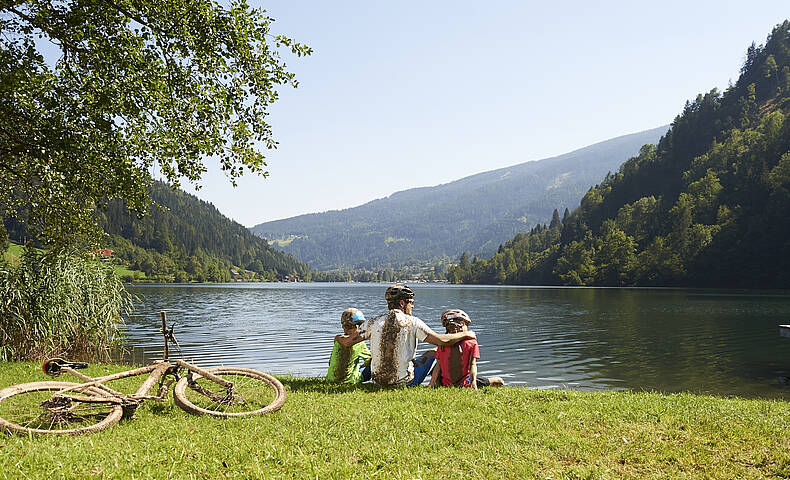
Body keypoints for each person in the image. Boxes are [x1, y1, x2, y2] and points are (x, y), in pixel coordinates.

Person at [337, 284, 476, 388]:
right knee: (433, 352)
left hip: (378, 383)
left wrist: (337, 338)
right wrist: (466, 334)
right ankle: (442, 382)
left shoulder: (373, 322)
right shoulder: (412, 322)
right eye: (411, 303)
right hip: (404, 383)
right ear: (402, 303)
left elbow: (348, 342)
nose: (413, 307)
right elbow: (441, 341)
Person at [429, 309, 504, 389]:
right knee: (499, 381)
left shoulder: (443, 341)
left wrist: (431, 383)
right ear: (462, 324)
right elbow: (472, 365)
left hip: (446, 383)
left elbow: (438, 365)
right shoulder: (471, 342)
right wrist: (473, 383)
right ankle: (493, 381)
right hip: (465, 383)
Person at [326, 308, 372, 384]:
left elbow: (330, 362)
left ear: (343, 327)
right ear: (357, 328)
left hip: (331, 380)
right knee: (372, 362)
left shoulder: (337, 339)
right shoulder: (360, 343)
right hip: (350, 381)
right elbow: (369, 360)